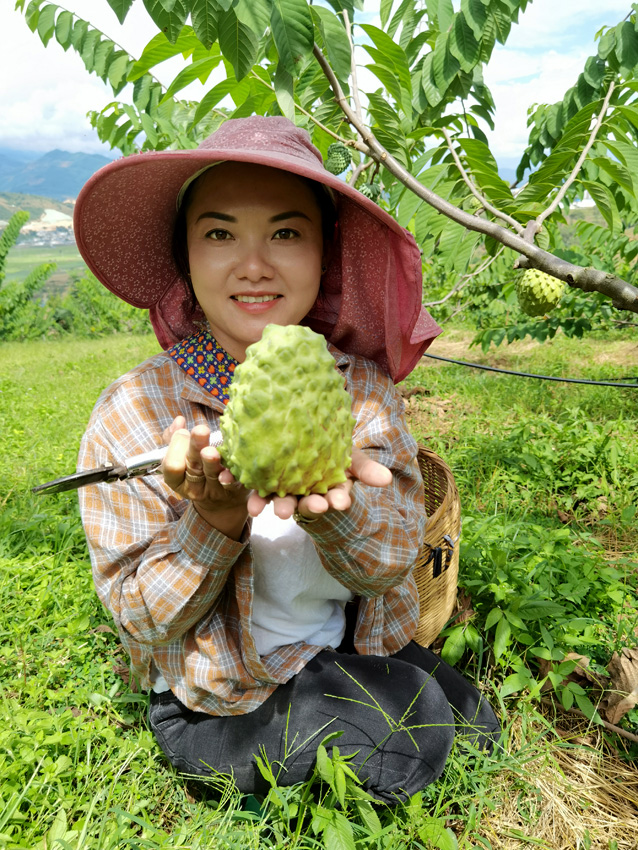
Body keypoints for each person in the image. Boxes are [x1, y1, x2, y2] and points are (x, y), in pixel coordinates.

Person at [76, 116, 499, 805]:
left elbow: (393, 560)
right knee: (391, 733)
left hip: (350, 650)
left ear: (323, 255)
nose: (254, 263)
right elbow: (140, 616)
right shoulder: (134, 412)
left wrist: (342, 512)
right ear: (185, 257)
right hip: (223, 692)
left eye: (286, 232)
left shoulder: (361, 390)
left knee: (470, 719)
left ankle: (379, 702)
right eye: (219, 234)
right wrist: (211, 521)